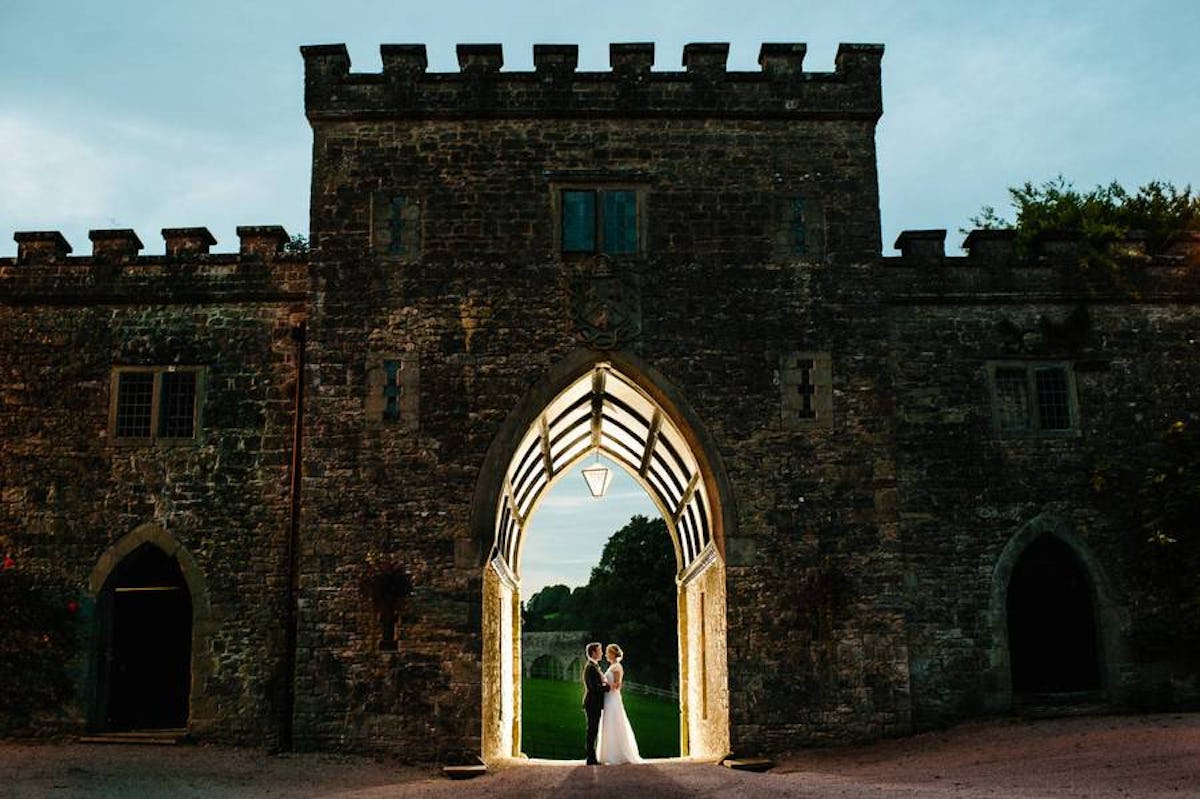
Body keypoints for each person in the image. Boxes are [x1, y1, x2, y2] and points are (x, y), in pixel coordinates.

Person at [596, 643, 642, 764]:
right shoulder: (612, 666)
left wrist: (605, 684)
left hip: (612, 698)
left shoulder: (617, 667)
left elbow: (617, 685)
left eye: (608, 652)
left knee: (613, 722)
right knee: (608, 723)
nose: (606, 654)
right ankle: (607, 754)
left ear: (612, 654)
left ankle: (617, 754)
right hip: (608, 698)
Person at [581, 641, 609, 765]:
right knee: (592, 730)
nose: (602, 653)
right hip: (592, 703)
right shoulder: (590, 667)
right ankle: (590, 758)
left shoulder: (594, 666)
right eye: (600, 651)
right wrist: (607, 688)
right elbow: (593, 687)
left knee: (593, 729)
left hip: (594, 703)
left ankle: (592, 757)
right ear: (593, 653)